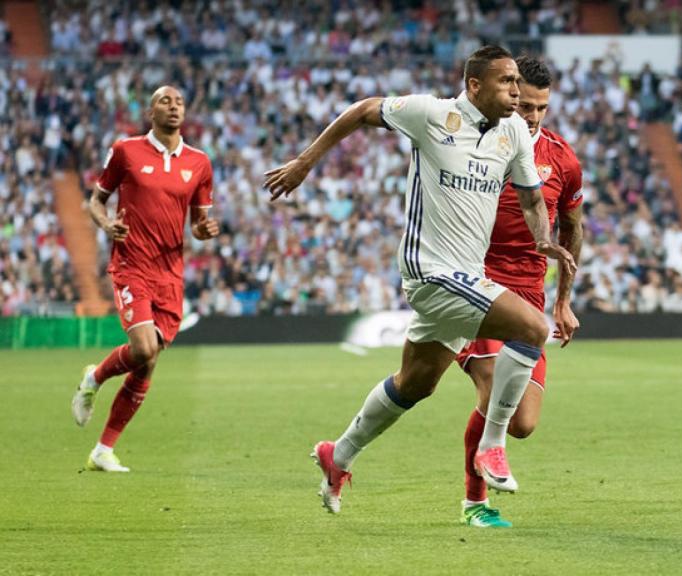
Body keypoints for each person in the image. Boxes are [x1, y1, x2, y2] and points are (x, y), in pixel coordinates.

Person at [263, 45, 577, 514]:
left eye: (519, 84)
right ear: (474, 85)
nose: (515, 93)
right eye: (506, 83)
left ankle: (338, 455)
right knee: (532, 327)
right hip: (430, 272)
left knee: (416, 383)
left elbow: (533, 200)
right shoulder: (430, 114)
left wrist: (544, 240)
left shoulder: (512, 132)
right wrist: (307, 161)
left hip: (467, 278)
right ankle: (492, 446)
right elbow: (362, 110)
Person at [454, 55, 583, 528]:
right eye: (524, 105)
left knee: (523, 423)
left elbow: (572, 229)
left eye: (541, 109)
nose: (531, 117)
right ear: (507, 93)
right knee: (491, 394)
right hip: (474, 284)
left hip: (530, 295)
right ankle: (475, 503)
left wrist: (564, 301)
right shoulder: (472, 146)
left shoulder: (561, 158)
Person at [71, 86, 219, 472]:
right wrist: (107, 225)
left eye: (180, 102)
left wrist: (204, 231)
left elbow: (199, 223)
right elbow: (95, 200)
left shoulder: (199, 162)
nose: (173, 106)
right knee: (142, 349)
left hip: (170, 272)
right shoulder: (126, 151)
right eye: (165, 101)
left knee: (147, 364)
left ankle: (103, 449)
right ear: (150, 111)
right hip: (131, 263)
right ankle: (95, 376)